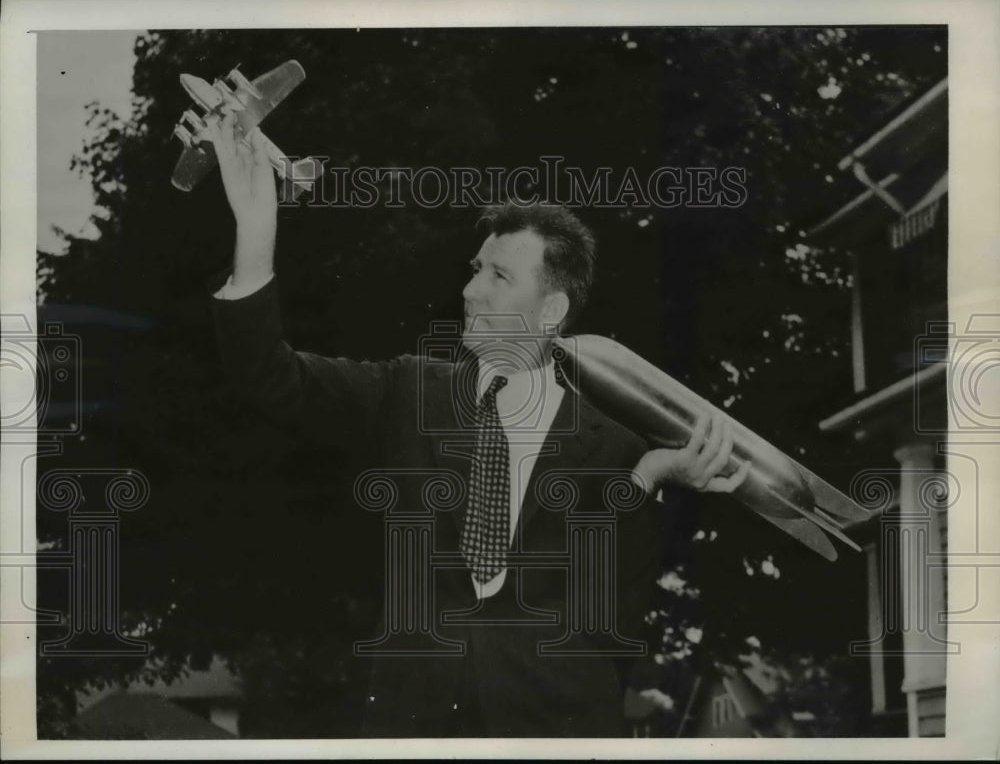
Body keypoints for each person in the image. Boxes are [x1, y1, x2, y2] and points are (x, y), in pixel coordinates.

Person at [207, 111, 750, 737]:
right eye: (475, 269)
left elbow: (610, 621)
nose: (471, 290)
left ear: (551, 310)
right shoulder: (407, 391)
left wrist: (649, 476)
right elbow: (270, 378)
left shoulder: (617, 445)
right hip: (414, 721)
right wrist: (255, 226)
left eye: (498, 276)